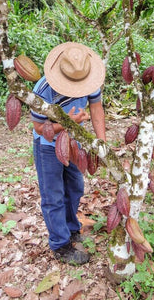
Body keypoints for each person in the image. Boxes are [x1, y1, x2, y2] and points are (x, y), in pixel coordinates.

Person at [31, 42, 106, 265]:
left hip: (75, 142)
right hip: (48, 145)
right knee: (53, 196)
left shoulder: (88, 77)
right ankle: (60, 244)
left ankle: (71, 229)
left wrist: (101, 141)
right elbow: (39, 129)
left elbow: (96, 107)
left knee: (74, 188)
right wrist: (68, 123)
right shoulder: (43, 89)